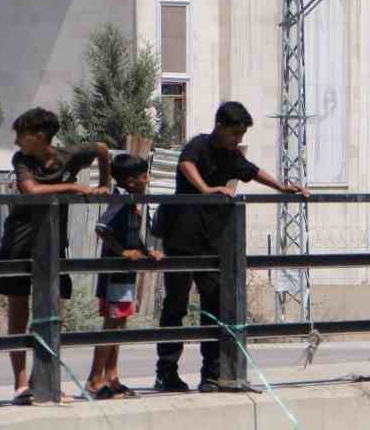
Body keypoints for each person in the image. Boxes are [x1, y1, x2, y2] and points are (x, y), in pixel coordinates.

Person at [154, 101, 306, 393]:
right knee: (176, 305)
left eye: (242, 135)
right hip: (183, 237)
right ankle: (166, 372)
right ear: (220, 126)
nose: (238, 140)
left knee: (214, 304)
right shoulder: (198, 146)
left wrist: (281, 187)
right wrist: (206, 190)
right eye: (235, 133)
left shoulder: (230, 155)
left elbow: (252, 171)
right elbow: (186, 165)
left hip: (211, 241)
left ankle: (211, 374)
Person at [0, 107, 111, 405]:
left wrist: (105, 184)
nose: (16, 142)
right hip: (18, 243)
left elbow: (103, 149)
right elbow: (30, 190)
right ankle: (20, 385)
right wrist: (73, 186)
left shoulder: (70, 155)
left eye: (21, 135)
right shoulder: (22, 161)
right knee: (18, 314)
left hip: (54, 246)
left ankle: (42, 380)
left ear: (39, 137)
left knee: (53, 314)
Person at [84, 154, 162, 399]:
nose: (147, 180)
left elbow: (130, 235)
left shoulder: (130, 202)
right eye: (143, 176)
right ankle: (95, 378)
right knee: (111, 325)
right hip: (114, 274)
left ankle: (112, 376)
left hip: (125, 274)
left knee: (120, 324)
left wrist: (146, 250)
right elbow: (102, 228)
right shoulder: (119, 199)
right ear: (130, 180)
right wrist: (122, 252)